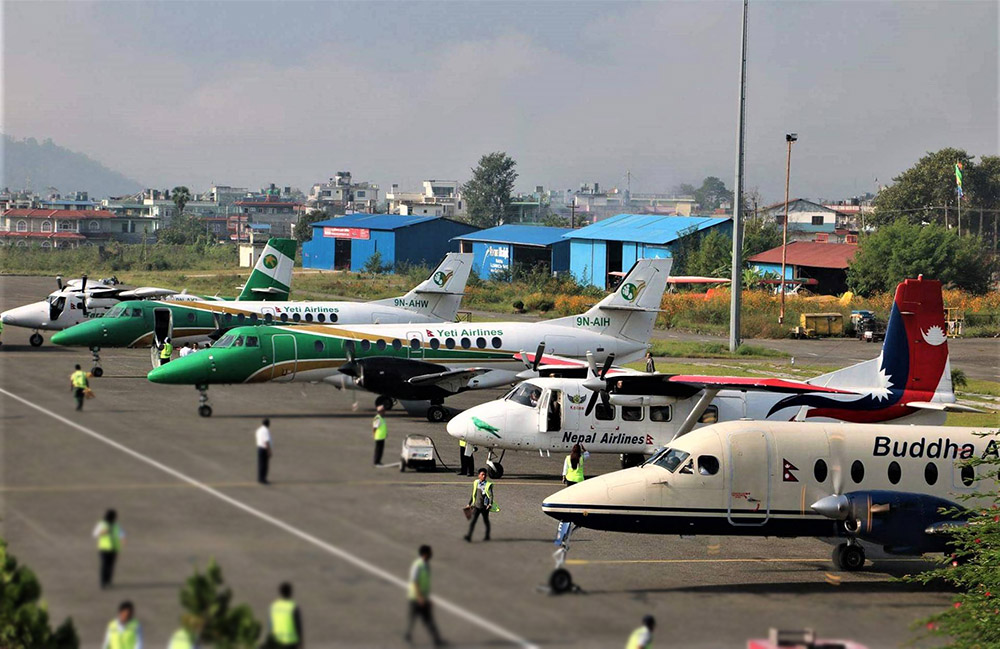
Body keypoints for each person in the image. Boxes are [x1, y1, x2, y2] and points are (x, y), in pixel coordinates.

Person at [405, 545, 443, 647]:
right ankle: (436, 639)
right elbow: (415, 581)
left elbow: (425, 583)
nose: (431, 554)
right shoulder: (418, 565)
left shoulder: (425, 564)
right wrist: (420, 597)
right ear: (425, 554)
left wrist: (427, 598)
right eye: (430, 552)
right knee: (424, 619)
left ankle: (408, 635)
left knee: (419, 618)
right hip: (416, 598)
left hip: (422, 597)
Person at [464, 468, 498, 542]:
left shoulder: (488, 485)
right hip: (477, 506)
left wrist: (490, 504)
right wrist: (469, 504)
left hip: (484, 507)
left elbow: (491, 495)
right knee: (473, 521)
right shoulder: (476, 483)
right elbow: (473, 494)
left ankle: (487, 536)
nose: (484, 476)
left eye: (485, 475)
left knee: (486, 521)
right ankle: (469, 536)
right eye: (482, 475)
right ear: (479, 475)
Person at [93, 509, 124, 588]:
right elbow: (95, 534)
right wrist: (103, 532)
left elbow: (121, 534)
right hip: (104, 548)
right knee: (104, 565)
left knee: (111, 565)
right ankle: (103, 582)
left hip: (114, 549)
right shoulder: (102, 525)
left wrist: (122, 541)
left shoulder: (116, 525)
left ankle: (108, 580)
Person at [268, 582, 303, 649]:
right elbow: (298, 626)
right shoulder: (293, 606)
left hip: (277, 641)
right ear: (290, 592)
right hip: (291, 642)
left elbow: (270, 626)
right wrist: (301, 642)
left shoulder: (274, 606)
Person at [256, 418, 272, 485]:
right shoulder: (265, 430)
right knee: (264, 465)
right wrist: (269, 451)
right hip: (264, 449)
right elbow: (266, 441)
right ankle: (263, 479)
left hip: (259, 448)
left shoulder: (259, 430)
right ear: (268, 424)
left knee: (260, 464)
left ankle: (260, 478)